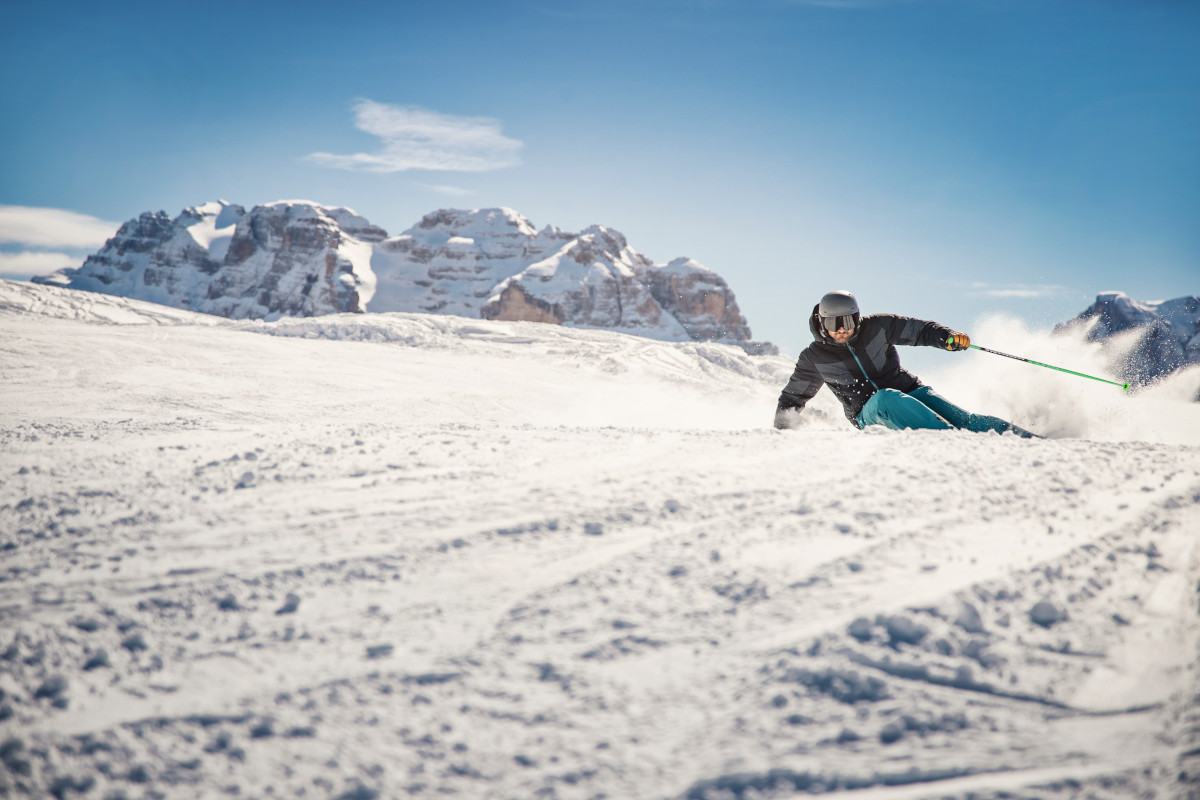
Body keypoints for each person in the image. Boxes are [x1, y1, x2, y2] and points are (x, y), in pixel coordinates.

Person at [774, 290, 1038, 438]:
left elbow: (920, 330)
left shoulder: (877, 326)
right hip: (869, 412)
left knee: (965, 419)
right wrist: (781, 431)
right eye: (834, 324)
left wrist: (946, 337)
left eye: (849, 322)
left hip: (910, 391)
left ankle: (1031, 442)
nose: (842, 330)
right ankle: (956, 442)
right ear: (822, 322)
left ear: (857, 317)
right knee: (886, 398)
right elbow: (793, 397)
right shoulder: (814, 357)